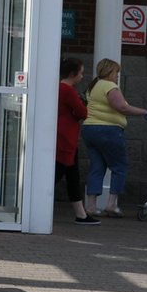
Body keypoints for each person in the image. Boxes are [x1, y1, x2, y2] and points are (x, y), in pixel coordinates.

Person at [81, 57, 147, 218]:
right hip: (108, 131)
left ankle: (91, 205)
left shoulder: (94, 85)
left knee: (97, 167)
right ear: (110, 71)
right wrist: (144, 112)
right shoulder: (110, 86)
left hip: (89, 129)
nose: (118, 75)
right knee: (120, 166)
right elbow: (121, 107)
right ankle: (111, 204)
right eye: (116, 72)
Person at [57, 57, 96, 224]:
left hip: (62, 135)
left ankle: (81, 213)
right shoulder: (69, 90)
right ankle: (80, 214)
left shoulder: (57, 88)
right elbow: (83, 113)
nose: (82, 76)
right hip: (66, 137)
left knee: (72, 175)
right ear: (73, 74)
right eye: (80, 73)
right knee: (59, 174)